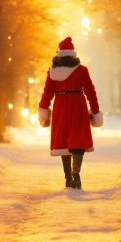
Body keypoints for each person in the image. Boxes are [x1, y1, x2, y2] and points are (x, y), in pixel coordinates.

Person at [38, 36, 103, 189]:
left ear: (59, 55)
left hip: (61, 106)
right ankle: (76, 174)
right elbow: (90, 92)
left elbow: (47, 93)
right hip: (78, 105)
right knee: (78, 138)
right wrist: (95, 111)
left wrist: (43, 110)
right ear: (73, 55)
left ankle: (67, 178)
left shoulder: (52, 73)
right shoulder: (81, 70)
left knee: (63, 140)